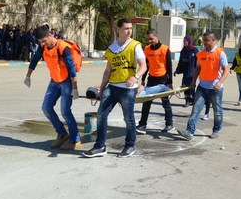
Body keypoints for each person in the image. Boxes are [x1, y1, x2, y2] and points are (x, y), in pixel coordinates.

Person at [83, 18, 146, 158]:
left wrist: (135, 77)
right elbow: (107, 71)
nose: (129, 31)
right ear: (119, 29)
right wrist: (102, 88)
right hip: (112, 87)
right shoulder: (112, 48)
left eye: (131, 28)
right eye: (126, 28)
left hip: (128, 89)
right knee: (101, 115)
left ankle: (130, 146)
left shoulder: (135, 45)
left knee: (128, 119)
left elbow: (143, 65)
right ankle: (100, 146)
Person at [24, 24, 81, 150]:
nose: (43, 44)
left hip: (66, 82)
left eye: (44, 41)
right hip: (54, 82)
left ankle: (75, 139)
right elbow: (35, 59)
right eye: (40, 42)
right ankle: (62, 134)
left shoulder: (62, 47)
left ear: (50, 35)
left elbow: (72, 69)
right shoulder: (43, 47)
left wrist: (75, 88)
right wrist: (28, 76)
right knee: (46, 108)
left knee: (65, 112)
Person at [177, 31, 230, 140]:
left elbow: (226, 70)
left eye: (207, 41)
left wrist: (219, 83)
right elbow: (198, 68)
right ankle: (189, 132)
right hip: (202, 87)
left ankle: (216, 129)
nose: (204, 43)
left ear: (213, 40)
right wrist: (193, 81)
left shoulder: (220, 53)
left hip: (215, 88)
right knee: (196, 109)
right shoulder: (200, 54)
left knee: (217, 110)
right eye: (203, 40)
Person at [136, 29, 174, 134]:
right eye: (148, 39)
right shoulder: (147, 49)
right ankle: (142, 125)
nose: (149, 41)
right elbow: (145, 66)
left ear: (156, 36)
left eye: (151, 39)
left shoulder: (165, 49)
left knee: (165, 103)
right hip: (151, 79)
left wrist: (170, 82)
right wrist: (143, 80)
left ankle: (169, 124)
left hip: (163, 79)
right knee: (146, 102)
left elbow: (169, 67)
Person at [174, 35, 198, 107]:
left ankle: (194, 101)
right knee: (184, 87)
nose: (184, 43)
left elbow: (198, 61)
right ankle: (187, 101)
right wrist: (177, 70)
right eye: (183, 41)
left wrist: (198, 70)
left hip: (192, 72)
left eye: (185, 41)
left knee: (191, 87)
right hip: (185, 72)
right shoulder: (183, 51)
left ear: (189, 41)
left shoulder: (194, 50)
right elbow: (180, 62)